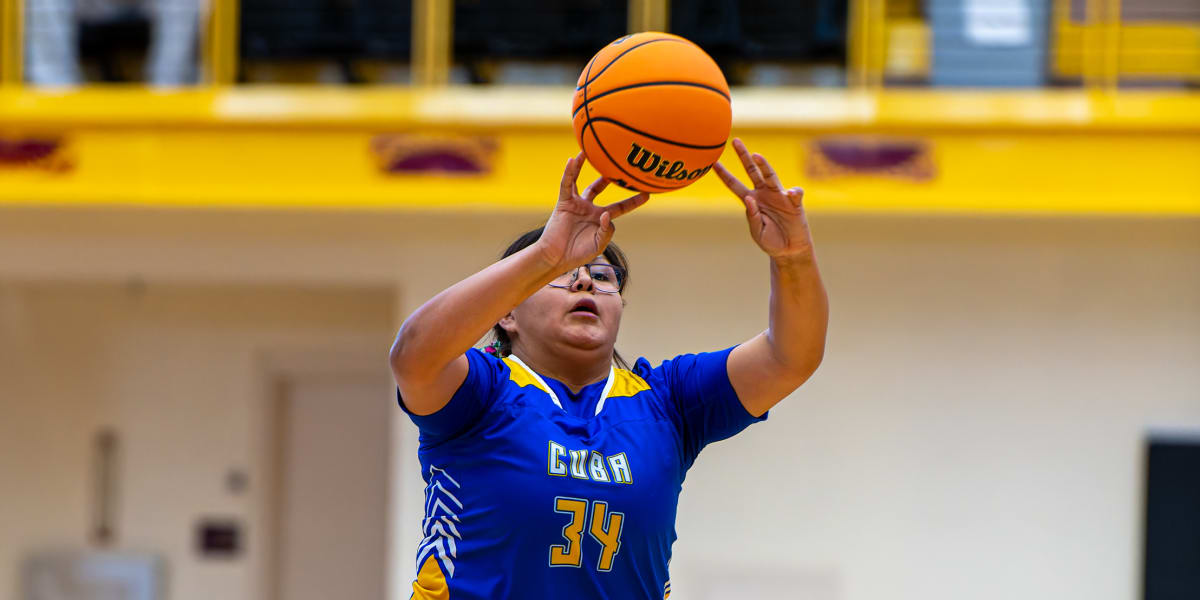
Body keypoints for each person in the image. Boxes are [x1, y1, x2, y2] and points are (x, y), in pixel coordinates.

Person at [389, 139, 829, 600]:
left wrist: (793, 257)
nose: (584, 279)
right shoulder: (482, 392)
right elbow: (413, 355)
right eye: (562, 274)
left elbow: (791, 357)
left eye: (602, 277)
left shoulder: (668, 401)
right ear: (507, 313)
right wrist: (545, 254)